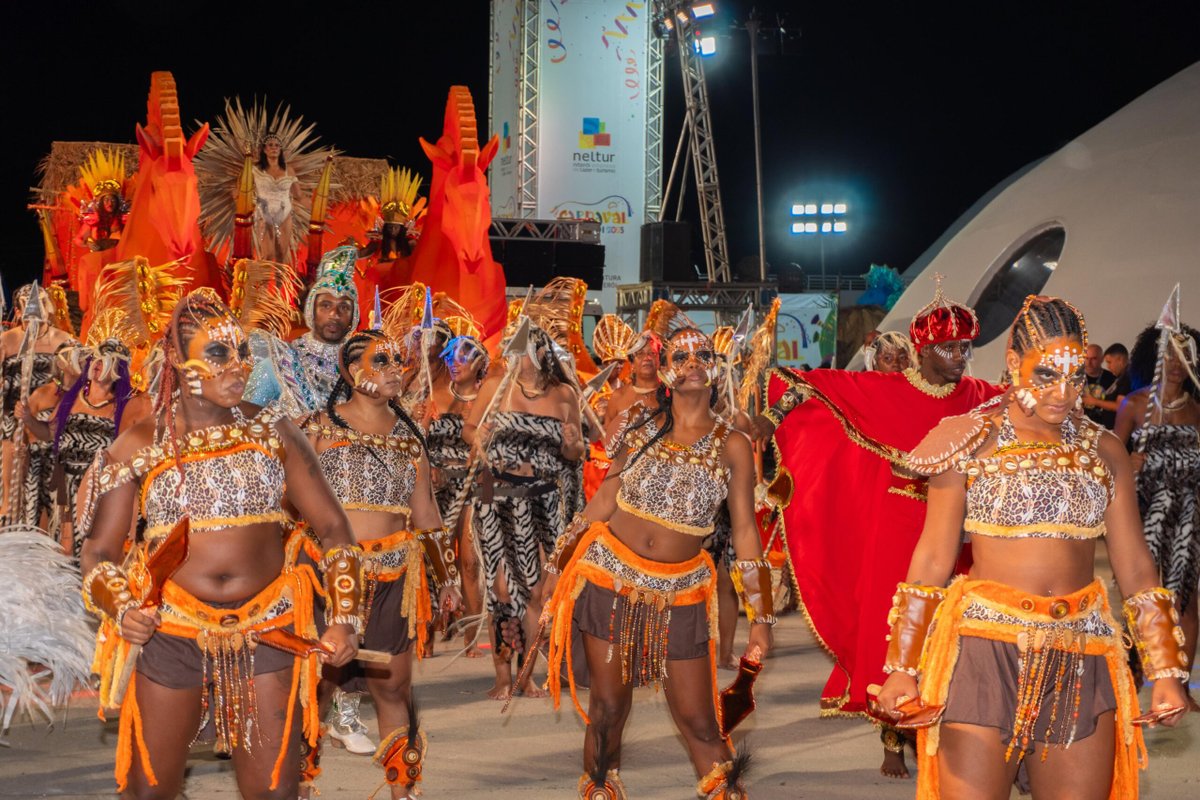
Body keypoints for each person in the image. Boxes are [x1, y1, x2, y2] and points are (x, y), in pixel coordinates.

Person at [876, 295, 1189, 798]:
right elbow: (933, 558)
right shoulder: (966, 438)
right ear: (1012, 362)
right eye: (1046, 374)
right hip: (982, 652)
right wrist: (900, 669)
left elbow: (1134, 566)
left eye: (1076, 378)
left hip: (1081, 651)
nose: (1064, 393)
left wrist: (1167, 668)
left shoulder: (1103, 449)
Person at [77, 289, 362, 798]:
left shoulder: (276, 432)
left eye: (243, 353)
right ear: (175, 360)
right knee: (150, 790)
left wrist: (344, 616)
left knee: (275, 790)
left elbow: (336, 530)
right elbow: (97, 551)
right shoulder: (139, 444)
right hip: (170, 630)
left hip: (268, 629)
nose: (238, 367)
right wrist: (122, 608)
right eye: (218, 354)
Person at [752, 279, 1002, 779]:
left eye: (964, 347)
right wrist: (769, 417)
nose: (958, 357)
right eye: (948, 347)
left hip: (958, 529)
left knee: (955, 629)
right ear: (923, 350)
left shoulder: (980, 395)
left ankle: (949, 723)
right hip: (897, 522)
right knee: (893, 624)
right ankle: (892, 734)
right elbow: (810, 384)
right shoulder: (887, 389)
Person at [542, 326, 774, 799]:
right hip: (611, 580)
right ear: (666, 367)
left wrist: (761, 617)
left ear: (715, 365)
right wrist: (555, 566)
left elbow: (746, 531)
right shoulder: (640, 426)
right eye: (681, 354)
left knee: (700, 723)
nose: (692, 361)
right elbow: (604, 498)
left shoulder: (732, 444)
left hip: (681, 593)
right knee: (607, 711)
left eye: (701, 353)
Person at [302, 329, 461, 799]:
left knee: (393, 691)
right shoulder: (316, 429)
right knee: (317, 691)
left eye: (399, 359)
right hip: (326, 577)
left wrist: (446, 577)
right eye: (382, 360)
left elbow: (428, 517)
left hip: (393, 577)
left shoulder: (410, 439)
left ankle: (403, 792)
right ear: (352, 373)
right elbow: (289, 506)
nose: (396, 368)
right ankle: (299, 788)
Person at [464, 322, 585, 700]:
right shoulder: (495, 387)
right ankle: (502, 677)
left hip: (542, 498)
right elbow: (470, 429)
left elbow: (576, 454)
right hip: (493, 492)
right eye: (511, 351)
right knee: (500, 589)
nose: (513, 358)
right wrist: (477, 437)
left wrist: (571, 443)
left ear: (539, 354)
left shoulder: (565, 395)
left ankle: (526, 675)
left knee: (534, 591)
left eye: (522, 351)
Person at [1114, 321, 1200, 701]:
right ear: (1155, 358)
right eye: (1169, 355)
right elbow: (1109, 456)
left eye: (1183, 356)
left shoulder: (1197, 409)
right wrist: (1127, 462)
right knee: (1141, 594)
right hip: (1143, 511)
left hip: (1188, 514)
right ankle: (1131, 680)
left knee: (1184, 599)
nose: (1176, 364)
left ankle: (1180, 684)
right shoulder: (1134, 405)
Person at [24, 317, 150, 554]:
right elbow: (50, 434)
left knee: (86, 551)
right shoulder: (70, 399)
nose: (97, 365)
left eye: (105, 361)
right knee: (61, 546)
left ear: (118, 370)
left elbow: (126, 458)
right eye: (95, 359)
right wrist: (29, 420)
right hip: (62, 482)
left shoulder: (124, 407)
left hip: (96, 490)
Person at [428, 330, 489, 656]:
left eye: (463, 357)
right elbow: (419, 441)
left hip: (473, 488)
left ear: (479, 362)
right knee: (437, 561)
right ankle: (428, 630)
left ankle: (470, 636)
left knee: (468, 563)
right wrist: (428, 469)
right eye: (451, 357)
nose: (455, 363)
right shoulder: (434, 394)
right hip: (437, 489)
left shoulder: (490, 399)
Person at [245, 245, 359, 413]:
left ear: (354, 316)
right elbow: (246, 418)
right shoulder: (280, 361)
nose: (334, 314)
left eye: (344, 307)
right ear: (311, 311)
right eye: (325, 306)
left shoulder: (361, 365)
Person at [1, 284, 76, 524]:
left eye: (43, 302)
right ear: (19, 311)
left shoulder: (66, 342)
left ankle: (50, 519)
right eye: (31, 305)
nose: (38, 309)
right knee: (12, 448)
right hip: (12, 415)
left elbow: (76, 379)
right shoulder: (7, 341)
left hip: (49, 412)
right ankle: (9, 507)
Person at [11, 341, 81, 528]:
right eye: (73, 356)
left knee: (62, 523)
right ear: (60, 363)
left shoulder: (85, 396)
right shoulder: (42, 394)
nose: (79, 360)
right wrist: (22, 448)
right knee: (31, 520)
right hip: (37, 465)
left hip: (67, 467)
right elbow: (23, 433)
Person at [254, 132, 302, 263]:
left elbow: (298, 195)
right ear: (264, 149)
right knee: (267, 255)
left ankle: (280, 283)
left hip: (284, 214)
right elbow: (243, 187)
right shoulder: (255, 169)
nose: (274, 148)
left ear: (280, 149)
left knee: (281, 254)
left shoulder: (289, 170)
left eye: (277, 145)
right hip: (263, 213)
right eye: (270, 145)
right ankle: (263, 283)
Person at [1083, 343, 1121, 428]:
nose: (1089, 363)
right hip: (1080, 426)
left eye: (1094, 359)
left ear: (1101, 359)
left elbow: (1119, 406)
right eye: (1086, 358)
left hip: (1105, 428)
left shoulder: (1112, 379)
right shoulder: (1075, 377)